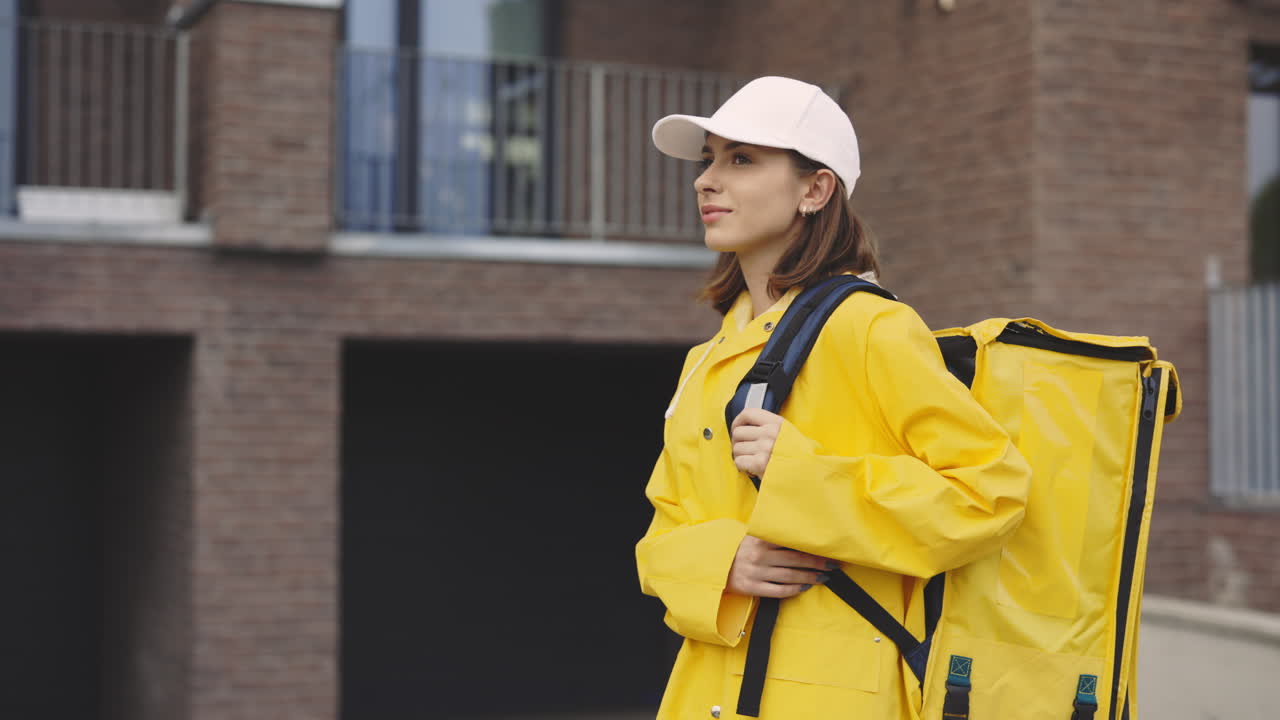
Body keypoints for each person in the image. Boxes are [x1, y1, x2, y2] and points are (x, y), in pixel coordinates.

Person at [635, 76, 1033, 719]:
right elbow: (658, 540)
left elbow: (988, 493)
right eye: (709, 159)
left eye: (741, 159)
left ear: (815, 189)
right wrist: (724, 564)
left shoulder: (869, 327)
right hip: (705, 693)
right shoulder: (705, 360)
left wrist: (801, 477)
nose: (706, 180)